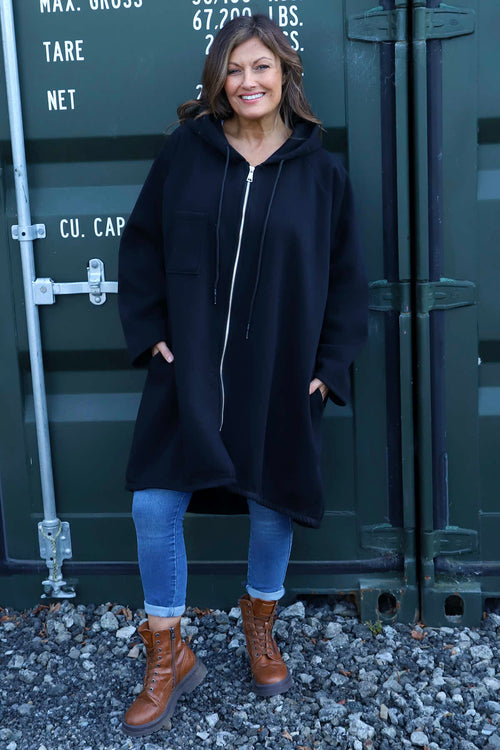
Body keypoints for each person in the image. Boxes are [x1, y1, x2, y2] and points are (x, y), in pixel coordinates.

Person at [118, 14, 368, 738]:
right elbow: (142, 244)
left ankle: (260, 624)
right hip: (188, 370)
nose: (247, 81)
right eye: (233, 69)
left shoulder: (322, 173)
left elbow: (348, 282)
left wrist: (326, 372)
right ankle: (168, 653)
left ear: (286, 73)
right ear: (217, 80)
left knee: (271, 503)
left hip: (279, 375)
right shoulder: (186, 152)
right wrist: (151, 333)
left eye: (261, 66)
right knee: (153, 506)